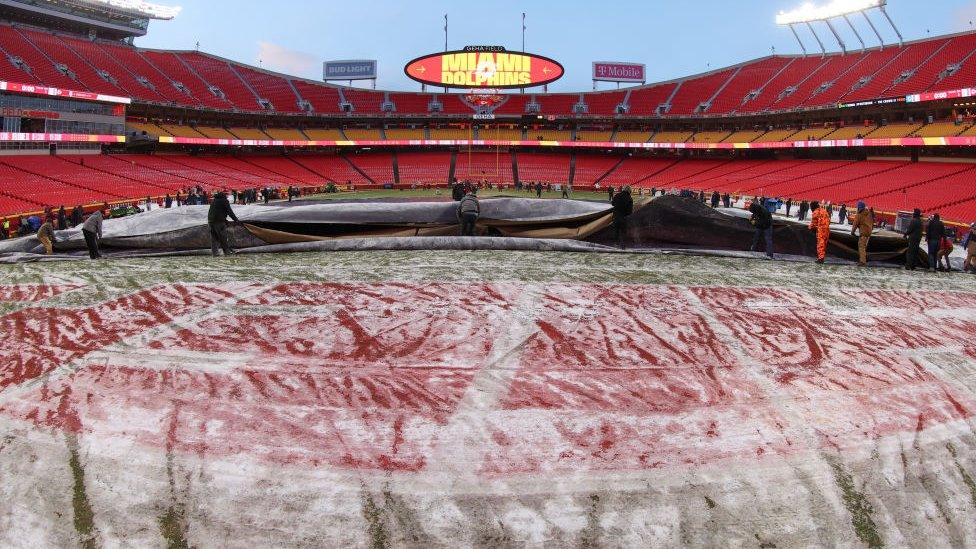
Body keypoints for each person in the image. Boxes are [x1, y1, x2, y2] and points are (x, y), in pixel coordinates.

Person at [208, 191, 240, 257]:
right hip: (219, 222)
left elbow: (216, 212)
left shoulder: (214, 201)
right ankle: (227, 252)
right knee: (223, 237)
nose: (227, 196)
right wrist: (236, 220)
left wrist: (225, 220)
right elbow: (230, 212)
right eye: (226, 195)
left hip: (211, 222)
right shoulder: (224, 201)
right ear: (223, 196)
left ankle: (215, 253)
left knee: (214, 238)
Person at [850, 201, 874, 267]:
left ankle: (863, 262)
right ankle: (863, 260)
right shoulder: (869, 213)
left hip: (863, 234)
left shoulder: (859, 215)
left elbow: (855, 225)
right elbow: (872, 223)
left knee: (861, 248)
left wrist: (852, 233)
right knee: (864, 248)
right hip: (869, 233)